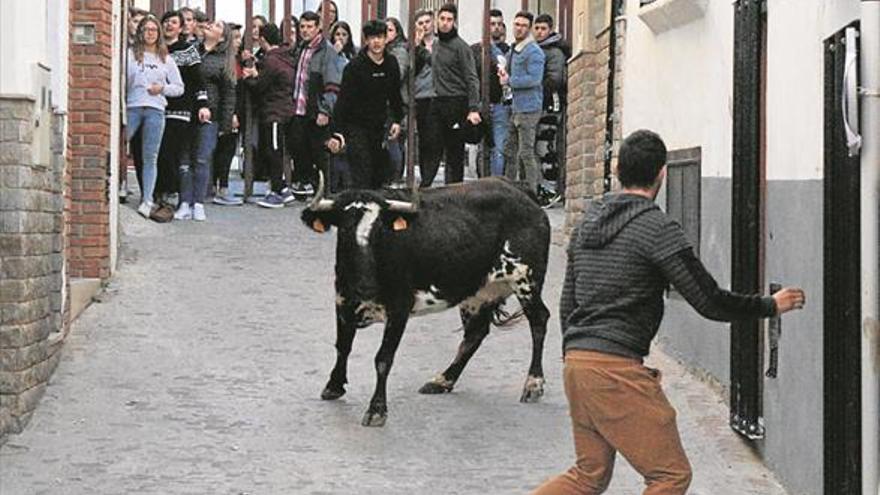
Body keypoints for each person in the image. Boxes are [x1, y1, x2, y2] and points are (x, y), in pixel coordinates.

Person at [532, 130, 807, 495]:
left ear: (617, 169)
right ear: (662, 173)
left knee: (589, 475)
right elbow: (709, 301)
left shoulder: (587, 225)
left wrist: (576, 354)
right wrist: (770, 305)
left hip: (577, 365)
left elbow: (569, 302)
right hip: (616, 370)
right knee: (670, 476)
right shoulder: (656, 228)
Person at [327, 20, 403, 189]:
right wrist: (337, 132)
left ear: (386, 39)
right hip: (356, 127)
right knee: (361, 173)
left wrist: (397, 120)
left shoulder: (391, 64)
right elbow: (343, 102)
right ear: (366, 40)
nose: (376, 42)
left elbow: (395, 96)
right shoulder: (355, 67)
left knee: (381, 174)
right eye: (372, 38)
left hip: (379, 127)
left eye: (380, 37)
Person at [175, 19, 237, 222]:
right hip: (186, 109)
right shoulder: (191, 49)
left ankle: (198, 203)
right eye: (212, 23)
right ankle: (184, 202)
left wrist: (226, 124)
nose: (210, 25)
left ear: (222, 37)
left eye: (218, 26)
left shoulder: (223, 61)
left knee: (202, 158)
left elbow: (229, 94)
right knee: (183, 158)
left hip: (211, 114)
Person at [414, 3, 480, 186]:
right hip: (437, 102)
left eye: (449, 19)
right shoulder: (436, 45)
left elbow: (472, 78)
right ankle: (425, 187)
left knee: (454, 152)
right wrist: (418, 46)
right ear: (437, 20)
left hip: (456, 102)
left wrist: (473, 108)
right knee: (431, 146)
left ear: (454, 22)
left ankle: (454, 191)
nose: (444, 23)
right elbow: (432, 61)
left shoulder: (461, 47)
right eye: (442, 19)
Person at [125, 15, 184, 219]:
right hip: (132, 106)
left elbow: (179, 88)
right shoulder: (130, 55)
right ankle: (119, 186)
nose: (149, 33)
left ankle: (147, 199)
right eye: (146, 29)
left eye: (153, 30)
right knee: (119, 145)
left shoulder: (165, 58)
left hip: (155, 109)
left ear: (158, 34)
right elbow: (123, 81)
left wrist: (162, 88)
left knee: (150, 156)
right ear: (140, 32)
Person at [153, 10, 208, 221]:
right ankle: (156, 194)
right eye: (166, 22)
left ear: (181, 27)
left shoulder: (187, 50)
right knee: (155, 153)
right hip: (157, 107)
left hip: (180, 110)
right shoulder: (154, 49)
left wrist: (202, 104)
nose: (169, 26)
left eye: (174, 22)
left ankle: (171, 194)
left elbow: (198, 80)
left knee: (171, 153)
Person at [242, 23, 298, 208]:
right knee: (278, 150)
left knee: (273, 150)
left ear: (263, 39)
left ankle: (279, 190)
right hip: (287, 108)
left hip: (274, 111)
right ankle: (281, 188)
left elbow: (260, 86)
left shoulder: (271, 60)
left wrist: (248, 78)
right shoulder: (286, 56)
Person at [287, 11, 342, 196]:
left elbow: (333, 83)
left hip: (315, 110)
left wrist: (325, 110)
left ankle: (325, 191)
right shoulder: (300, 49)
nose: (305, 30)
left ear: (318, 27)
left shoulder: (327, 51)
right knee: (298, 147)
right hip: (299, 109)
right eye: (302, 26)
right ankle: (308, 184)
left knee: (320, 153)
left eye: (309, 26)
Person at [500, 11, 545, 193]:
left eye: (523, 25)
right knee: (510, 150)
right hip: (517, 107)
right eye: (516, 24)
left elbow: (534, 79)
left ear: (529, 28)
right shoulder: (516, 48)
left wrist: (509, 80)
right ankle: (509, 190)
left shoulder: (534, 51)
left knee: (525, 152)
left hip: (529, 108)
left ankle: (531, 193)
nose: (519, 28)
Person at [534, 13, 570, 202]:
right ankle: (544, 187)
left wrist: (536, 88)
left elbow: (555, 79)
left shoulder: (554, 52)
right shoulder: (539, 49)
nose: (539, 32)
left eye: (543, 28)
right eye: (537, 28)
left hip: (550, 103)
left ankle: (550, 189)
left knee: (546, 148)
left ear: (550, 29)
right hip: (541, 102)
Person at [471, 8, 510, 177]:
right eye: (492, 24)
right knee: (482, 148)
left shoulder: (509, 51)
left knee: (499, 149)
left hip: (501, 104)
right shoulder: (474, 50)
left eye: (499, 24)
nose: (496, 27)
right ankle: (482, 186)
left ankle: (495, 185)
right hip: (481, 104)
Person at [212, 22, 244, 206]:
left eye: (240, 37)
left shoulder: (238, 60)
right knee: (222, 149)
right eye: (235, 37)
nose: (239, 41)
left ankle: (221, 186)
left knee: (228, 149)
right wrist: (231, 114)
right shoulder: (225, 60)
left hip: (234, 111)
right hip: (225, 112)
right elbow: (228, 91)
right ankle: (219, 186)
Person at [411, 9, 440, 188]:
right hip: (421, 96)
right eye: (420, 23)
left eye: (427, 22)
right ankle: (424, 176)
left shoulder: (440, 43)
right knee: (423, 140)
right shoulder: (414, 45)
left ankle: (429, 178)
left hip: (438, 95)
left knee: (435, 139)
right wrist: (415, 46)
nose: (424, 26)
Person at [384, 16, 409, 184]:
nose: (386, 34)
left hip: (396, 103)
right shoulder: (386, 50)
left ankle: (395, 179)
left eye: (390, 30)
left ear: (398, 32)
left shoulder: (399, 50)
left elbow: (397, 76)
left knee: (394, 142)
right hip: (388, 102)